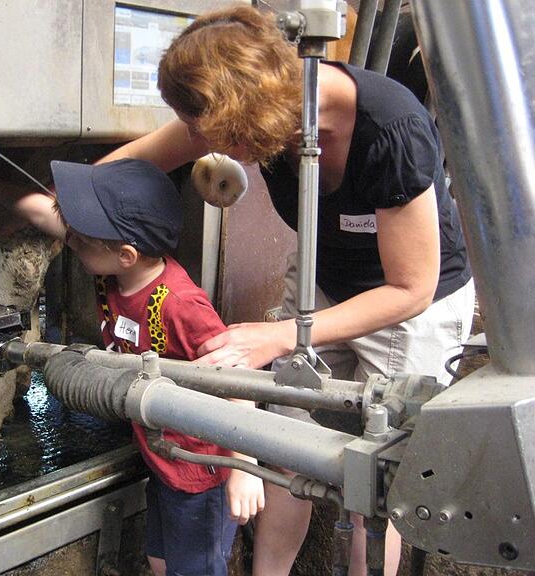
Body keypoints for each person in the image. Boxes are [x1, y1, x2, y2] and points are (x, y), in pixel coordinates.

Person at [93, 5, 475, 576]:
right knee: (284, 440)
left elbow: (411, 287)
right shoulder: (267, 109)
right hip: (324, 276)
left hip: (405, 304)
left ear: (248, 113)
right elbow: (134, 162)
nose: (194, 140)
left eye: (202, 126)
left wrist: (277, 335)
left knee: (378, 466)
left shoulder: (390, 129)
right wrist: (66, 201)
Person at [0, 157, 265, 576]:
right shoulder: (118, 270)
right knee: (161, 560)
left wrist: (246, 468)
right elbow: (44, 213)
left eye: (81, 236)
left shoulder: (180, 305)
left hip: (203, 473)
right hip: (163, 457)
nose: (69, 239)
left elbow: (240, 380)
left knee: (195, 569)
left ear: (124, 254)